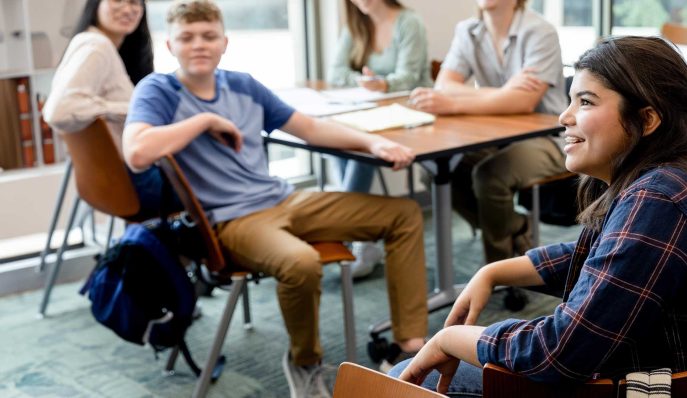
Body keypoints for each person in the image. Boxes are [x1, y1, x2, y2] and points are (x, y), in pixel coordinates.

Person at [391, 36, 687, 398]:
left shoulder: (659, 198)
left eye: (586, 102)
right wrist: (495, 271)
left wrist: (449, 338)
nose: (565, 115)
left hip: (669, 388)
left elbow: (558, 354)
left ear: (648, 119)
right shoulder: (662, 179)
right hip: (673, 378)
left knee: (401, 380)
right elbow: (608, 257)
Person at [122, 1, 429, 396]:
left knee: (403, 213)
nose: (199, 44)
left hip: (283, 200)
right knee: (301, 262)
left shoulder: (243, 85)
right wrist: (204, 120)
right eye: (187, 37)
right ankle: (304, 362)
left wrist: (372, 142)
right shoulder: (159, 90)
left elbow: (310, 128)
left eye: (209, 36)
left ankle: (409, 347)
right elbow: (136, 151)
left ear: (225, 42)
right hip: (231, 221)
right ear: (170, 46)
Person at [409, 0, 567, 264]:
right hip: (496, 134)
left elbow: (524, 102)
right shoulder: (468, 30)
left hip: (549, 137)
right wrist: (505, 93)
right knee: (433, 171)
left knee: (490, 175)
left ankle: (501, 272)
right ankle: (515, 225)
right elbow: (444, 85)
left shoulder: (540, 31)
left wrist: (458, 101)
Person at [326, 0, 432, 278]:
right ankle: (357, 235)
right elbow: (335, 73)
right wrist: (364, 82)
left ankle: (349, 232)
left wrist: (383, 83)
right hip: (370, 113)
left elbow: (409, 78)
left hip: (410, 115)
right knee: (337, 142)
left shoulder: (409, 22)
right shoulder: (355, 26)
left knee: (364, 150)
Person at [43, 0, 169, 218]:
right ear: (95, 5)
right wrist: (134, 109)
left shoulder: (101, 46)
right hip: (138, 183)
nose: (128, 9)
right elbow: (59, 110)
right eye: (117, 0)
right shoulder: (95, 45)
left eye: (135, 3)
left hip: (121, 183)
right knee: (225, 183)